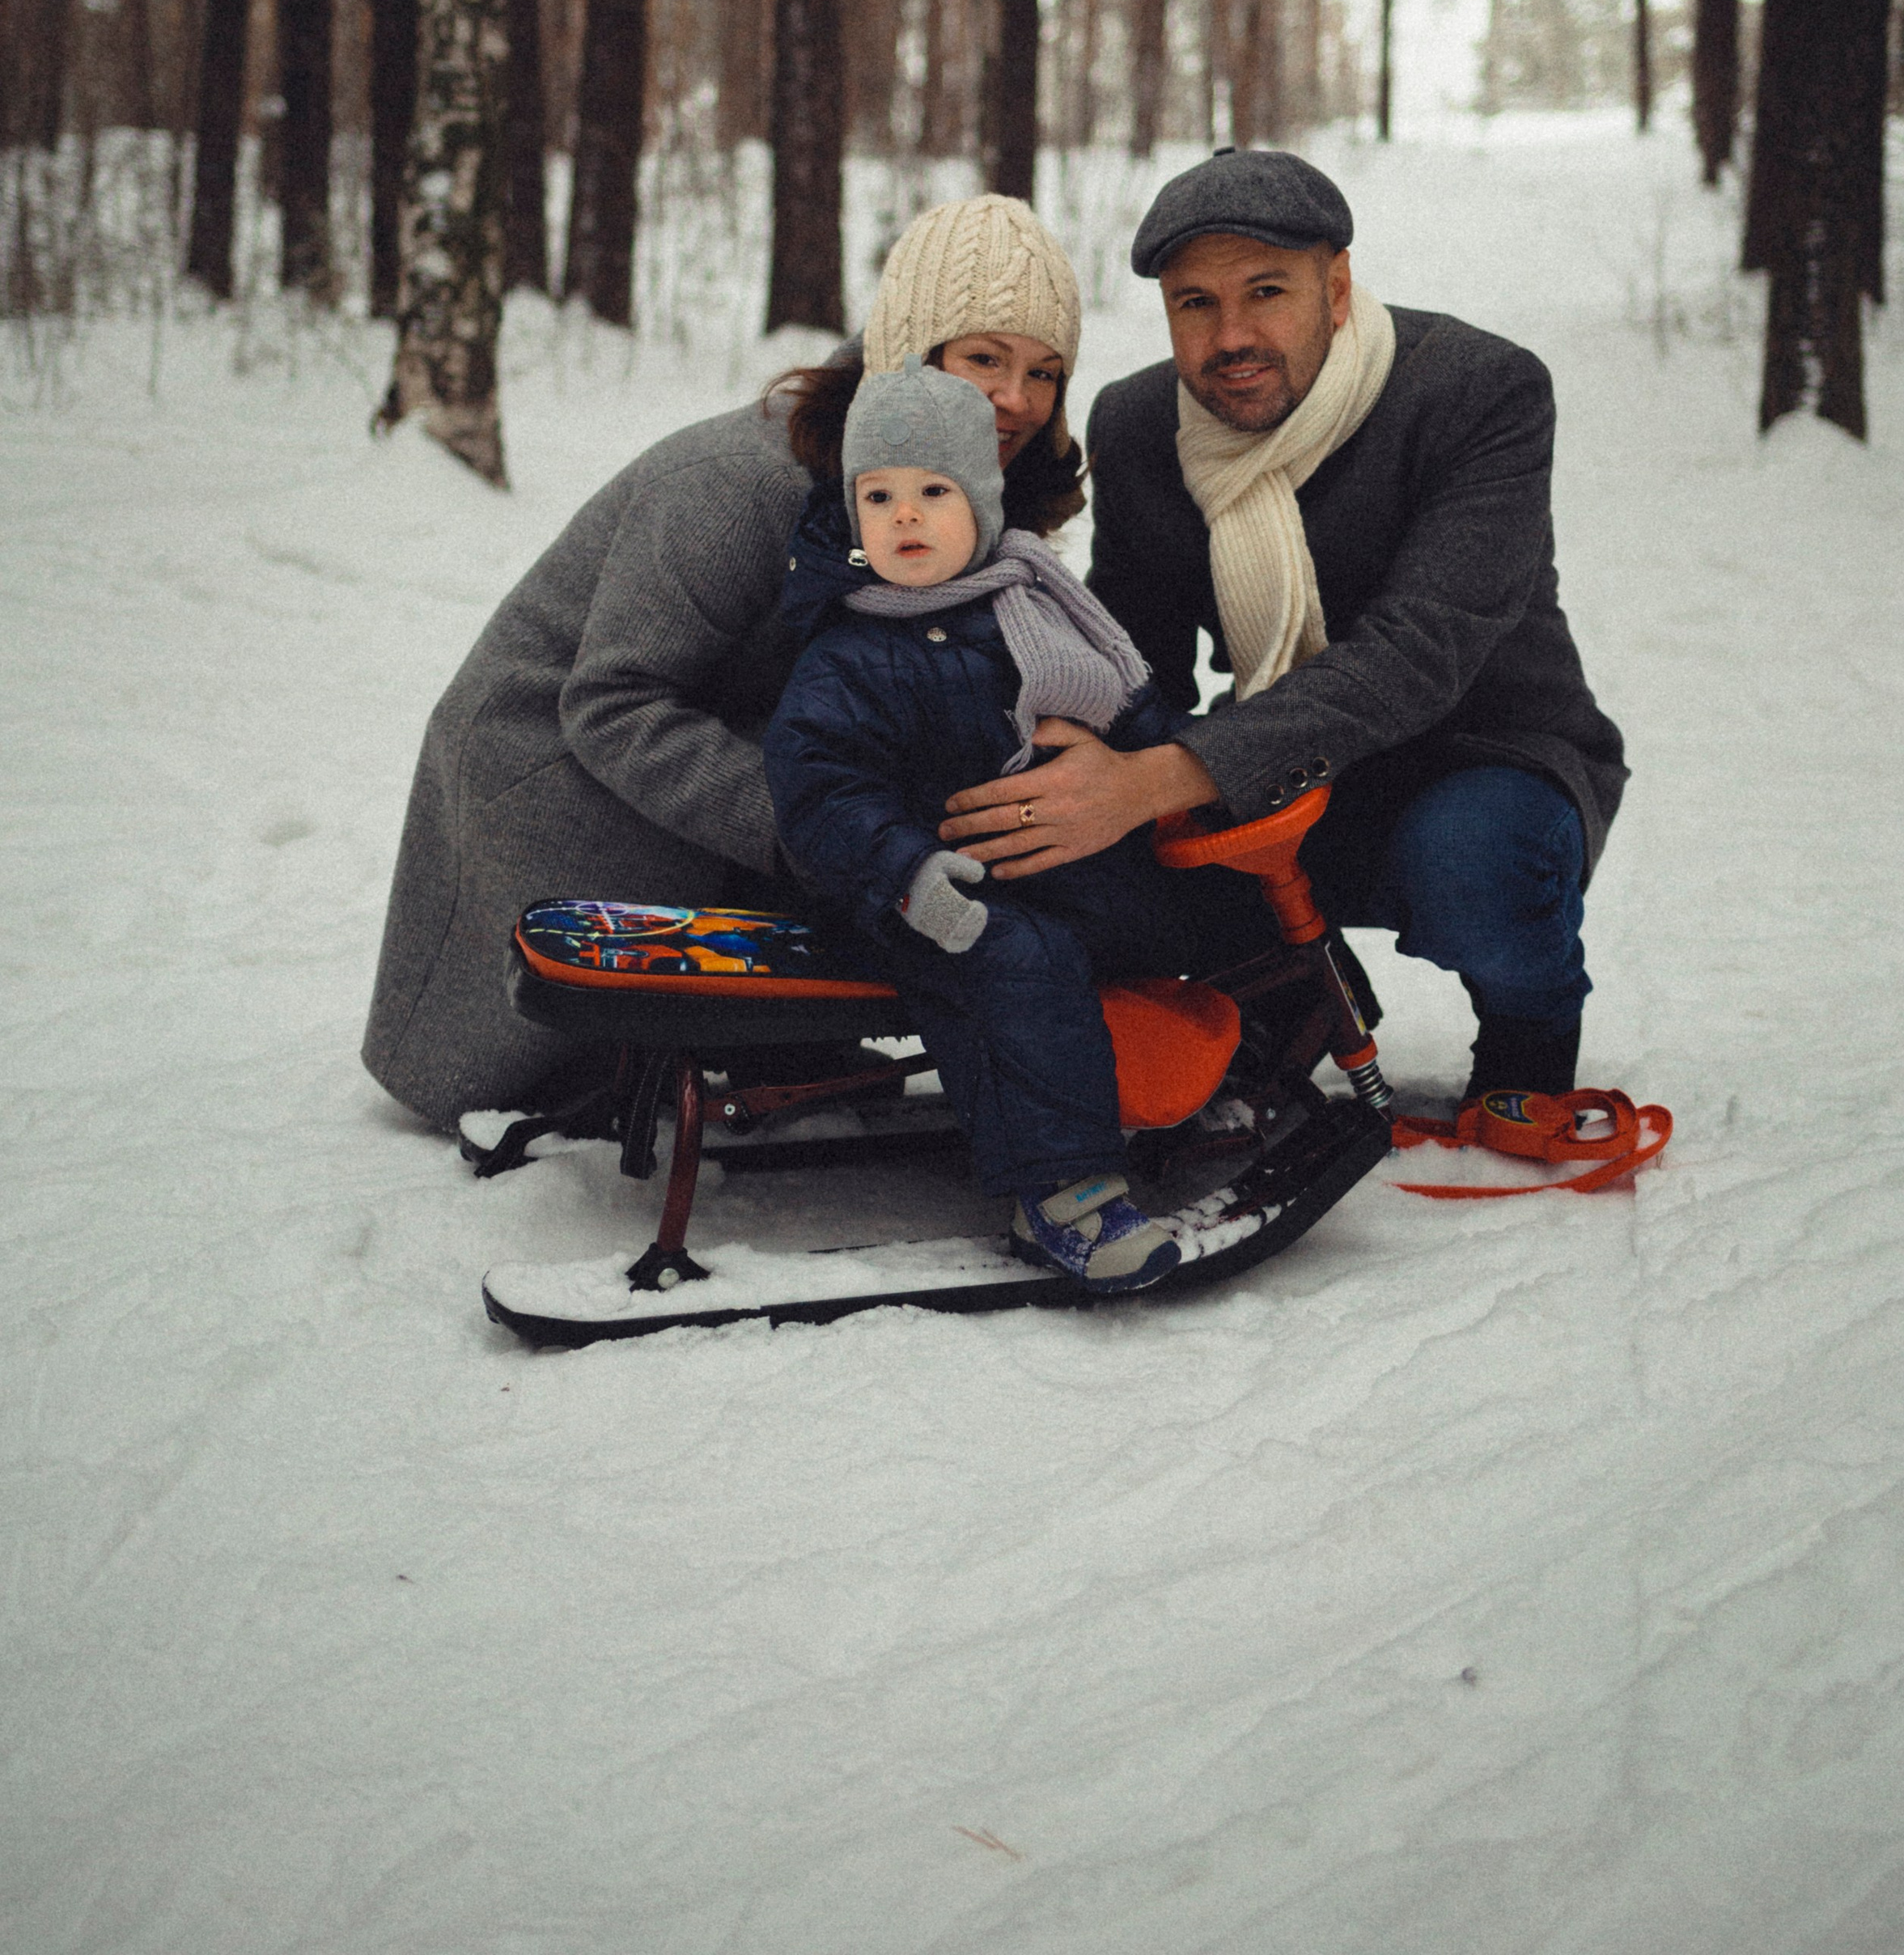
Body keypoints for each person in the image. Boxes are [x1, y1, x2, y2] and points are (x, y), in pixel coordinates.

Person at [362, 195, 1084, 1132]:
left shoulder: (972, 480)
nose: (1017, 398)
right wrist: (823, 829)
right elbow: (612, 703)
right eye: (985, 358)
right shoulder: (744, 479)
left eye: (1044, 372)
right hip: (554, 773)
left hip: (733, 743)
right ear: (909, 346)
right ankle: (617, 1051)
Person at [938, 146, 1628, 1107]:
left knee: (1468, 863)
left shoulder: (1477, 391)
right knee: (1093, 844)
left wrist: (1153, 780)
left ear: (1334, 289)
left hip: (1481, 753)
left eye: (1266, 292)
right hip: (1274, 762)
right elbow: (1135, 658)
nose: (1232, 337)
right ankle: (1286, 1003)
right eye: (1195, 303)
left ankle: (1530, 1028)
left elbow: (1417, 653)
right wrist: (1062, 765)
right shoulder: (1140, 423)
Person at [763, 357, 1191, 1291]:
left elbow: (1133, 712)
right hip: (916, 896)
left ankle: (1253, 1062)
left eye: (933, 491)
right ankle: (1064, 1197)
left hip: (1047, 860)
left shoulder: (1035, 608)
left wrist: (1170, 773)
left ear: (984, 504)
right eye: (878, 497)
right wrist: (907, 873)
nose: (904, 517)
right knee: (1017, 958)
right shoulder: (849, 647)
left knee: (1194, 903)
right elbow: (819, 789)